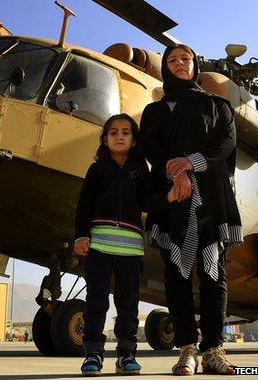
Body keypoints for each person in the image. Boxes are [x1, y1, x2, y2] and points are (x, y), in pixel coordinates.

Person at [140, 44, 243, 375]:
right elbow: (151, 148)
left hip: (211, 202)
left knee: (215, 276)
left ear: (195, 65)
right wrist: (177, 172)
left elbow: (225, 143)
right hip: (172, 202)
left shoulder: (218, 105)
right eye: (172, 60)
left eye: (185, 59)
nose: (179, 63)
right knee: (177, 275)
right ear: (165, 69)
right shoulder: (155, 112)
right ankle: (187, 349)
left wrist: (190, 163)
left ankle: (213, 349)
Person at [74, 114, 177, 376]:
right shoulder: (96, 170)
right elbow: (84, 206)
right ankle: (93, 354)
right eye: (113, 132)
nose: (119, 136)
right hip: (99, 247)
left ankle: (126, 354)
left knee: (128, 304)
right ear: (104, 139)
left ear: (134, 140)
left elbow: (146, 202)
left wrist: (168, 196)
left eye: (126, 132)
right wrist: (81, 235)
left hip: (130, 250)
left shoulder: (140, 171)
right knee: (96, 301)